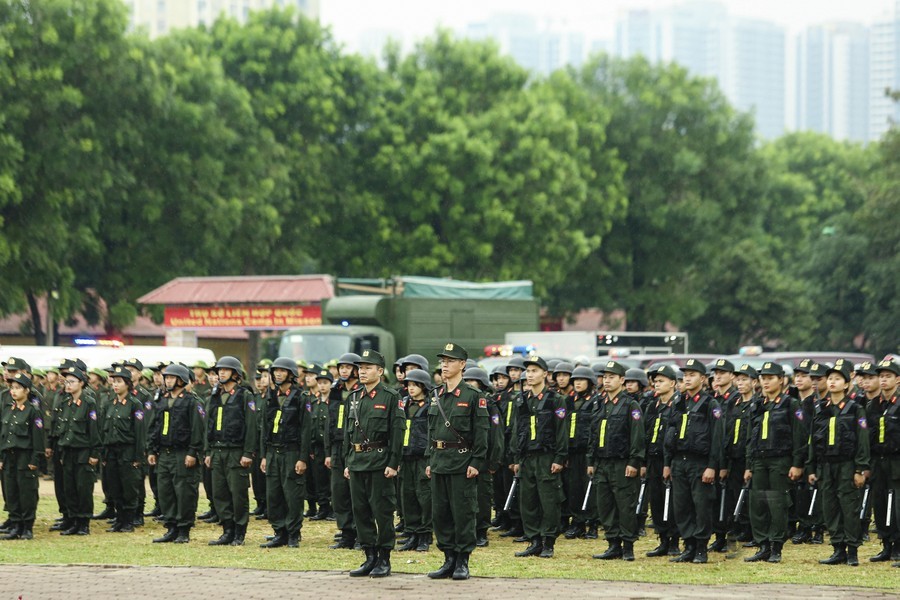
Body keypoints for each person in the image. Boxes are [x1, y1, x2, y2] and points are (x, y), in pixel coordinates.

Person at [425, 343, 490, 580]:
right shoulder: (436, 395)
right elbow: (431, 431)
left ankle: (463, 560)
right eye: (443, 360)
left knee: (463, 513)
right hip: (439, 461)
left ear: (462, 364)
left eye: (450, 360)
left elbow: (482, 433)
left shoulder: (474, 396)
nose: (444, 364)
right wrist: (429, 459)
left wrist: (477, 462)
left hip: (462, 463)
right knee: (440, 514)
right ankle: (448, 558)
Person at [343, 349, 405, 578]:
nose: (362, 371)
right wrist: (347, 461)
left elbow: (397, 433)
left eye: (368, 367)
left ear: (380, 371)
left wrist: (393, 462)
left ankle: (384, 557)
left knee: (382, 511)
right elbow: (348, 435)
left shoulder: (390, 397)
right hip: (357, 462)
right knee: (360, 512)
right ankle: (369, 555)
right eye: (360, 367)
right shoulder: (354, 397)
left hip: (380, 463)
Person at [808, 358, 870, 566]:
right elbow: (813, 439)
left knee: (848, 506)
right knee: (830, 507)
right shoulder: (821, 409)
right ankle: (837, 548)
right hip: (826, 466)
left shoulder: (855, 409)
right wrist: (812, 466)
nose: (833, 382)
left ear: (846, 384)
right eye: (830, 378)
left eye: (838, 379)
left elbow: (862, 441)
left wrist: (860, 468)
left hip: (847, 465)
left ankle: (852, 550)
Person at [743, 362, 807, 563]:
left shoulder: (791, 404)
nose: (766, 382)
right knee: (758, 504)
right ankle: (762, 545)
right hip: (759, 460)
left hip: (780, 460)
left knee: (777, 504)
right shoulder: (757, 404)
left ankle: (776, 546)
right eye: (763, 378)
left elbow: (799, 436)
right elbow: (749, 437)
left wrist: (797, 464)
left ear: (781, 380)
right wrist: (748, 465)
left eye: (770, 378)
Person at [664, 359, 724, 564]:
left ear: (703, 378)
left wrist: (712, 466)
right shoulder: (679, 402)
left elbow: (717, 438)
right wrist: (667, 463)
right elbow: (670, 433)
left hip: (700, 463)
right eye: (685, 375)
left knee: (702, 506)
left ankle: (701, 548)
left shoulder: (710, 404)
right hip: (679, 461)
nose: (687, 379)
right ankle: (688, 546)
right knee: (681, 506)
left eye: (692, 375)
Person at [512, 356, 569, 559]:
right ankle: (534, 540)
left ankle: (549, 542)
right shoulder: (521, 400)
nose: (530, 374)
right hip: (527, 457)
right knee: (528, 501)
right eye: (528, 371)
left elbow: (562, 431)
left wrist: (559, 458)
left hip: (547, 457)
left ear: (545, 374)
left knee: (549, 500)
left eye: (535, 371)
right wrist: (517, 458)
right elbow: (517, 430)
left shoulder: (556, 400)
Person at [588, 361, 645, 561]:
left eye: (612, 377)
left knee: (625, 505)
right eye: (605, 377)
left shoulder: (631, 405)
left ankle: (628, 546)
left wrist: (634, 462)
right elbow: (593, 435)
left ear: (622, 380)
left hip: (622, 463)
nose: (607, 380)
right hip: (602, 463)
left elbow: (637, 436)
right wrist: (591, 460)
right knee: (605, 505)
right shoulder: (599, 403)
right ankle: (613, 544)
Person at [148, 363, 205, 544]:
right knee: (166, 491)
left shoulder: (192, 401)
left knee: (184, 491)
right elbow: (155, 426)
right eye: (167, 378)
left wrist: (193, 452)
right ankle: (171, 527)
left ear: (181, 380)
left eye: (172, 377)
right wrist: (152, 449)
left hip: (183, 453)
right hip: (164, 453)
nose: (168, 381)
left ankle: (184, 529)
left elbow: (198, 429)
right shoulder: (162, 400)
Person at [259, 357, 312, 549]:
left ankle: (293, 534)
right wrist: (264, 455)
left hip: (292, 452)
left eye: (282, 370)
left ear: (291, 374)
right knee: (274, 494)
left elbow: (306, 429)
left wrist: (302, 458)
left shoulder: (301, 397)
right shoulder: (270, 397)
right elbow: (264, 428)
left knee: (293, 495)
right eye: (275, 371)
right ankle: (279, 532)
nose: (278, 374)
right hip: (273, 452)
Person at [205, 356, 258, 547]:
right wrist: (208, 452)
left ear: (236, 374)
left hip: (236, 452)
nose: (221, 373)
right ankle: (227, 530)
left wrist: (248, 452)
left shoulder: (245, 395)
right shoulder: (215, 396)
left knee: (238, 494)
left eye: (225, 370)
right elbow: (208, 425)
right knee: (219, 493)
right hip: (217, 451)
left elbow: (252, 426)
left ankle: (239, 532)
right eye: (219, 370)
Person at [56, 366, 101, 536]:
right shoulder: (65, 403)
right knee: (70, 488)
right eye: (66, 381)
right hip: (68, 452)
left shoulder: (89, 402)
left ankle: (84, 522)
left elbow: (94, 430)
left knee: (83, 488)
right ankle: (73, 520)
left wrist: (94, 453)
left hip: (83, 452)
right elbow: (63, 429)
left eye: (72, 381)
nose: (68, 385)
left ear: (81, 383)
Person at [101, 365, 146, 534]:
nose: (115, 385)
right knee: (115, 487)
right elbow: (104, 430)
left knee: (129, 487)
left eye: (119, 381)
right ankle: (119, 520)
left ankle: (129, 520)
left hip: (128, 451)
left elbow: (139, 432)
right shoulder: (109, 404)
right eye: (114, 381)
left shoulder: (135, 404)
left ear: (128, 383)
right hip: (112, 451)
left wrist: (138, 456)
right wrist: (104, 453)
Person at [0, 373, 43, 540]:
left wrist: (35, 460)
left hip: (25, 456)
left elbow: (37, 438)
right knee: (11, 491)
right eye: (12, 388)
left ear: (26, 390)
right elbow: (3, 436)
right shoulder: (8, 410)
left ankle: (27, 527)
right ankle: (16, 524)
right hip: (9, 456)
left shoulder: (33, 411)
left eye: (18, 388)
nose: (14, 391)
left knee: (26, 492)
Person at [325, 353, 361, 550]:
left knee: (356, 492)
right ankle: (346, 532)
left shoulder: (361, 391)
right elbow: (330, 422)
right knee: (339, 493)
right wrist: (329, 452)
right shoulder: (335, 391)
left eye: (348, 367)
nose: (344, 371)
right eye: (341, 367)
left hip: (355, 446)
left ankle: (360, 534)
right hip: (338, 447)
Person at [644, 365, 681, 557]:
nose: (656, 385)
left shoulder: (678, 405)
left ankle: (674, 541)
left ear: (673, 383)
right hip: (653, 459)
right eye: (655, 381)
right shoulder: (653, 405)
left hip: (671, 461)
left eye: (661, 381)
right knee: (656, 501)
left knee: (672, 501)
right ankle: (663, 540)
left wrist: (669, 463)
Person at [867, 359, 899, 562]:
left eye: (888, 376)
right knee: (879, 503)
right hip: (877, 461)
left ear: (898, 379)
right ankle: (886, 544)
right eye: (881, 376)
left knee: (897, 505)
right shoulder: (872, 406)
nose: (884, 380)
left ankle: (898, 546)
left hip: (896, 461)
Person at [397, 368, 433, 553]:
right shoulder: (403, 405)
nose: (411, 388)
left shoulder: (431, 406)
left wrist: (430, 459)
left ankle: (425, 535)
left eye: (415, 385)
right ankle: (411, 533)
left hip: (423, 458)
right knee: (407, 496)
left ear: (424, 386)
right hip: (405, 458)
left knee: (424, 497)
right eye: (409, 385)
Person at [563, 366, 600, 540]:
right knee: (574, 488)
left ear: (590, 382)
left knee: (590, 488)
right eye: (575, 380)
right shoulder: (568, 401)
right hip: (572, 452)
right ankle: (577, 522)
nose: (577, 383)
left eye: (581, 380)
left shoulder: (596, 401)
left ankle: (592, 524)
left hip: (588, 451)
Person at [308, 367, 333, 521]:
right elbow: (311, 426)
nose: (322, 386)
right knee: (319, 479)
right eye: (320, 383)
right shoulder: (314, 403)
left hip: (329, 447)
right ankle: (322, 508)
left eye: (325, 383)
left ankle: (333, 509)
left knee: (331, 479)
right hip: (317, 447)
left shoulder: (334, 403)